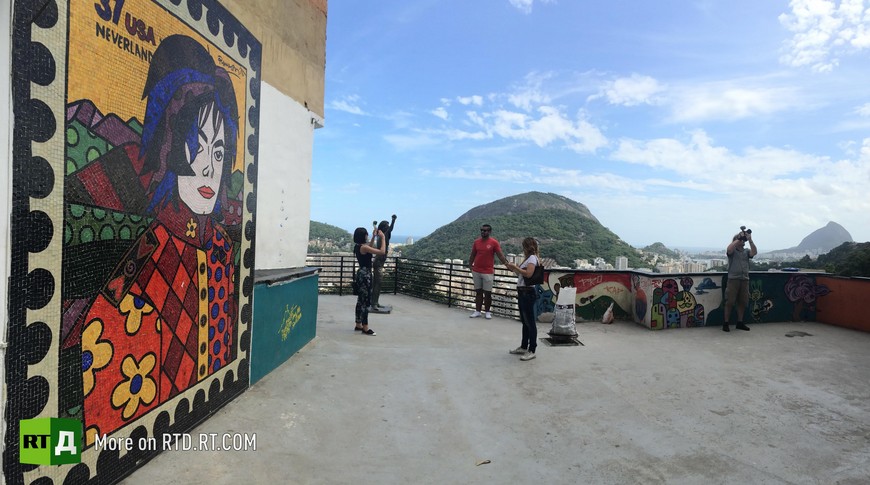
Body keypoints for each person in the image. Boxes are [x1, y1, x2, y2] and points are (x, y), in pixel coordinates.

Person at [67, 34, 241, 441]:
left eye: (218, 153)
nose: (207, 168)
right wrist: (45, 449)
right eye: (196, 146)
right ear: (169, 145)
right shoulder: (147, 256)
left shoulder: (222, 252)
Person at [506, 237, 541, 361]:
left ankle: (532, 349)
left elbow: (529, 274)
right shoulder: (529, 259)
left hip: (527, 293)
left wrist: (516, 267)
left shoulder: (532, 258)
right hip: (523, 292)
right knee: (525, 322)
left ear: (527, 247)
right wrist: (515, 268)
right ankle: (524, 346)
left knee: (530, 322)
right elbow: (522, 274)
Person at [468, 224, 509, 319]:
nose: (483, 232)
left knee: (488, 293)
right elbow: (473, 254)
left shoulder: (494, 242)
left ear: (489, 232)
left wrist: (507, 264)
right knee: (478, 292)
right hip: (477, 270)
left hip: (488, 271)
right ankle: (477, 311)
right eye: (482, 230)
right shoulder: (476, 242)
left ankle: (487, 312)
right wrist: (470, 265)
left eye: (485, 230)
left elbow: (500, 255)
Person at [722, 228, 757, 332]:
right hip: (733, 279)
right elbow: (728, 249)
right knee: (730, 302)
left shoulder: (746, 252)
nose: (743, 241)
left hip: (744, 279)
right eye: (741, 240)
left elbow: (754, 252)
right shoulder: (733, 252)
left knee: (742, 302)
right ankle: (726, 323)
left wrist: (749, 239)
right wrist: (739, 238)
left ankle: (740, 322)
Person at [353, 227, 386, 335]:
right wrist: (383, 238)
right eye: (366, 234)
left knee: (360, 300)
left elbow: (369, 247)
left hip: (361, 274)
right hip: (366, 275)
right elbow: (382, 251)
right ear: (363, 236)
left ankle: (358, 324)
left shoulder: (359, 247)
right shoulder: (364, 247)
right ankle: (365, 327)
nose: (367, 236)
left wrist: (374, 237)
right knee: (366, 301)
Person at [370, 215, 396, 311]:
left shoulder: (380, 234)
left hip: (378, 261)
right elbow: (391, 229)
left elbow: (376, 229)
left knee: (376, 283)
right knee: (378, 283)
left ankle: (374, 302)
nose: (388, 228)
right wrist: (393, 220)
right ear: (384, 227)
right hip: (379, 262)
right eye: (387, 226)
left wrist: (374, 225)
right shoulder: (383, 236)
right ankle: (374, 304)